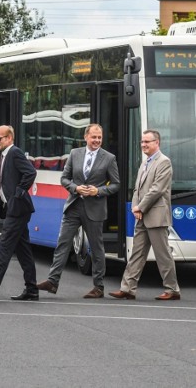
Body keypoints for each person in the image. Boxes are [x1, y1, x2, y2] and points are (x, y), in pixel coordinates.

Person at [36, 123, 120, 298]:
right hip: (74, 205)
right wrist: (75, 188)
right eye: (94, 137)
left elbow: (116, 184)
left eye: (99, 137)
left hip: (95, 208)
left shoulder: (109, 158)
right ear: (85, 137)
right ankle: (52, 281)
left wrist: (98, 191)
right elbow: (64, 179)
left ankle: (99, 287)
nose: (97, 140)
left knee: (96, 249)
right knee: (62, 244)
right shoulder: (75, 154)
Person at [109, 130, 179, 301]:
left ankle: (172, 290)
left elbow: (157, 189)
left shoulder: (164, 162)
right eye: (142, 142)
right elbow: (137, 189)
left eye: (147, 141)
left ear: (157, 143)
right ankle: (127, 289)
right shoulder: (144, 163)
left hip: (155, 216)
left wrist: (140, 207)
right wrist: (135, 207)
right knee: (137, 254)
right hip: (141, 214)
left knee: (163, 255)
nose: (143, 145)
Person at [0, 125, 38, 301]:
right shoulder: (4, 155)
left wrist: (18, 194)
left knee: (4, 247)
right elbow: (4, 184)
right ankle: (32, 289)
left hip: (18, 209)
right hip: (13, 208)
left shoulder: (14, 153)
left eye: (0, 138)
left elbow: (30, 172)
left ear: (10, 138)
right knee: (23, 251)